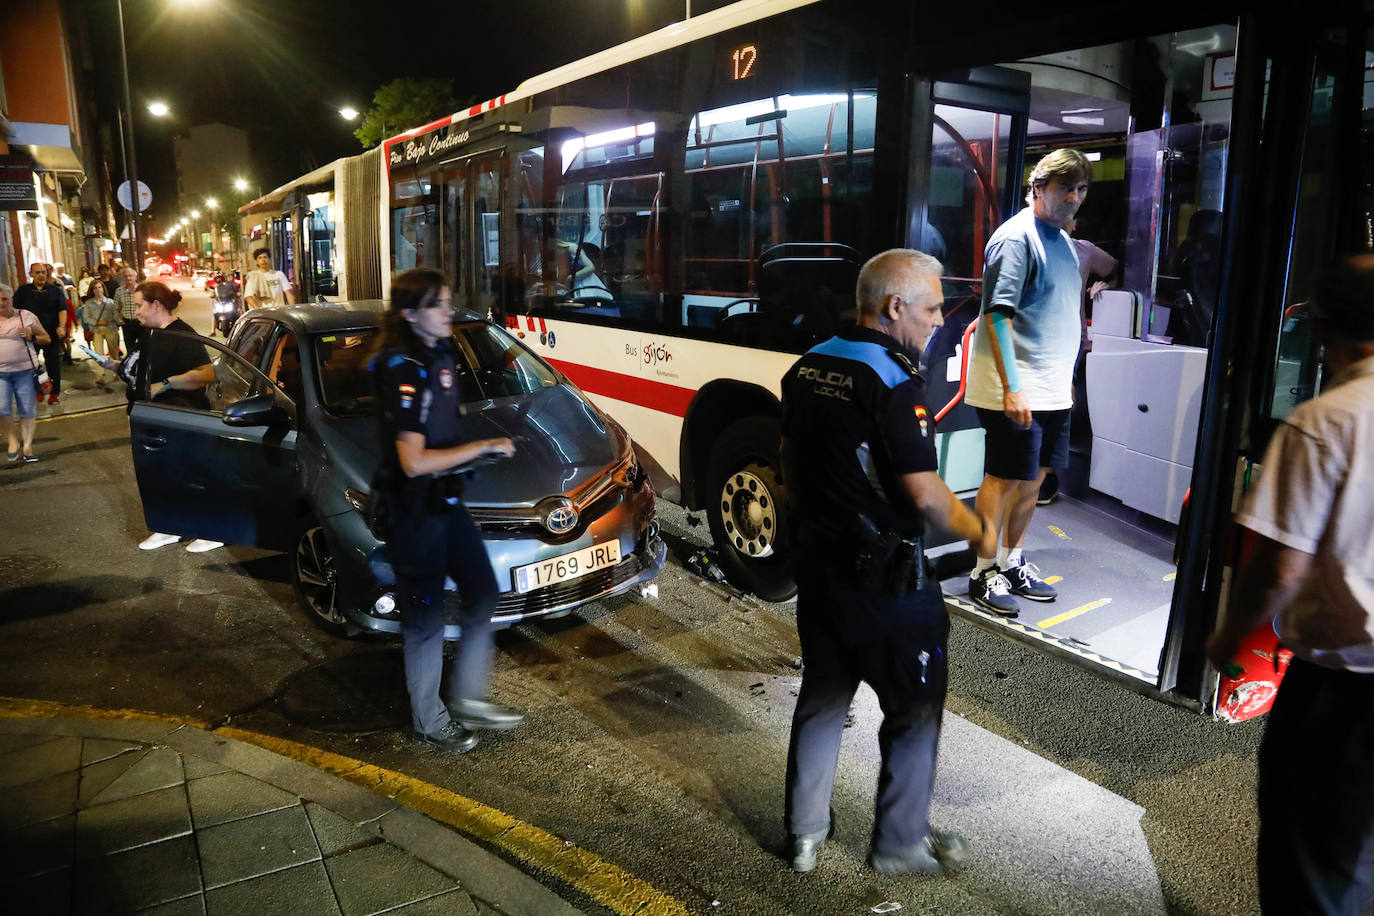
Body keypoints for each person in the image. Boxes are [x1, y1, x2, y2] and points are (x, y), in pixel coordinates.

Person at [780, 249, 996, 875]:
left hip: (820, 572)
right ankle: (900, 845)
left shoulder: (809, 364)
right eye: (930, 310)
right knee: (913, 709)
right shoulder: (897, 384)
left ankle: (803, 837)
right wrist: (979, 532)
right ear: (893, 306)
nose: (936, 322)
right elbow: (925, 493)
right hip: (888, 585)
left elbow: (788, 459)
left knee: (823, 696)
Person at [1206, 255, 1374, 916]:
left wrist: (1228, 637)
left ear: (1323, 329)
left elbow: (1279, 567)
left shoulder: (1323, 423)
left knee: (1311, 861)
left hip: (1344, 689)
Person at [369, 268, 523, 754]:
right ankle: (430, 719)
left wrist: (476, 452)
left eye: (449, 301)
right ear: (412, 314)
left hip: (447, 504)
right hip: (415, 513)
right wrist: (481, 448)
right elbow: (412, 461)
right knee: (426, 619)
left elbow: (444, 429)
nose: (449, 311)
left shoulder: (438, 353)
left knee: (483, 591)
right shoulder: (402, 369)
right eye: (439, 304)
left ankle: (469, 698)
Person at [962, 148, 1091, 617]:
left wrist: (1065, 380)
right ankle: (983, 571)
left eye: (1080, 189)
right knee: (1003, 479)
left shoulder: (1061, 240)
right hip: (1015, 387)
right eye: (1065, 188)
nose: (1074, 197)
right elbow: (997, 316)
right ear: (1038, 188)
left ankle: (1011, 560)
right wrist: (1013, 387)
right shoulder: (1015, 239)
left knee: (1034, 480)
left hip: (1052, 387)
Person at [93, 280, 222, 553]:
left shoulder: (181, 334)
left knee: (189, 473)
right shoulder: (150, 334)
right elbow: (139, 369)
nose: (135, 311)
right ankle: (170, 528)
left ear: (156, 305)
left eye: (139, 305)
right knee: (161, 475)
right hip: (150, 417)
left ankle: (212, 529)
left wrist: (165, 384)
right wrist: (115, 366)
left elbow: (206, 374)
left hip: (177, 416)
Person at [0, 283, 51, 462]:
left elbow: (46, 338)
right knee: (1, 408)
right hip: (1, 374)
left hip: (24, 371)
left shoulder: (25, 316)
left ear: (11, 299)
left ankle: (28, 446)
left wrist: (31, 334)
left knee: (27, 409)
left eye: (4, 299)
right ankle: (13, 441)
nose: (1, 302)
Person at [13, 263, 70, 405]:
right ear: (31, 274)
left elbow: (62, 309)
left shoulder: (55, 290)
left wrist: (61, 327)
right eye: (37, 272)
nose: (41, 275)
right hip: (30, 335)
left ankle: (54, 393)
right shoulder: (23, 291)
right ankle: (38, 390)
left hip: (51, 334)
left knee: (53, 365)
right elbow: (15, 311)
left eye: (43, 272)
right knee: (32, 365)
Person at [82, 280, 120, 386]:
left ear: (103, 289)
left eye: (100, 287)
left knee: (113, 352)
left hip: (110, 329)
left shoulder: (110, 302)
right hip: (97, 330)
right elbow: (85, 318)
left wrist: (119, 320)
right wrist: (97, 322)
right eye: (95, 288)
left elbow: (115, 315)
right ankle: (100, 375)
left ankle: (116, 372)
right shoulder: (89, 303)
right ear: (92, 290)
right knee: (98, 353)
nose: (98, 290)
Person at [112, 265, 143, 357]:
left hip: (141, 323)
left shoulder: (142, 289)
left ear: (135, 277)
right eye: (126, 276)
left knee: (144, 347)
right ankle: (132, 369)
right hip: (127, 324)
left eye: (130, 275)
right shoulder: (119, 291)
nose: (128, 278)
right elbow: (115, 308)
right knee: (130, 349)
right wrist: (119, 320)